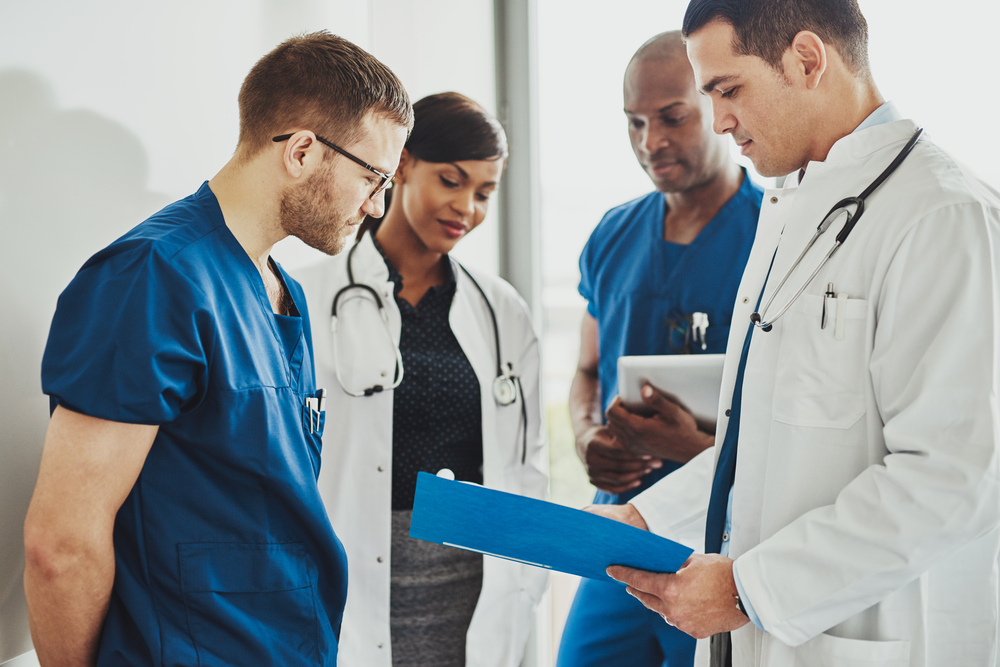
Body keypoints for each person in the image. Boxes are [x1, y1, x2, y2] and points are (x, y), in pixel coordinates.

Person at [603, 2, 1000, 666]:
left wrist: (749, 589)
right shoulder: (794, 207)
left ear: (808, 60)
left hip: (871, 635)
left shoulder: (944, 216)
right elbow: (759, 444)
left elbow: (953, 478)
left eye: (728, 89)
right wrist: (644, 518)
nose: (720, 118)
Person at [22, 32, 412, 667]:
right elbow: (60, 545)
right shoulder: (153, 277)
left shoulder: (281, 289)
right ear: (304, 151)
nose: (377, 206)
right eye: (373, 177)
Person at [292, 92, 547, 667]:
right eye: (450, 181)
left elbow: (526, 468)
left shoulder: (502, 310)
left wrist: (526, 587)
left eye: (484, 193)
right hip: (349, 578)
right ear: (402, 163)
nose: (467, 208)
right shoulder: (306, 293)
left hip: (469, 586)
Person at [558, 31, 763, 667]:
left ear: (718, 108)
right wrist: (589, 437)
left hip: (716, 549)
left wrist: (694, 449)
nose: (652, 142)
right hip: (616, 536)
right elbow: (587, 372)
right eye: (635, 123)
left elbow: (798, 432)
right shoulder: (612, 236)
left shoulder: (776, 239)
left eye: (672, 117)